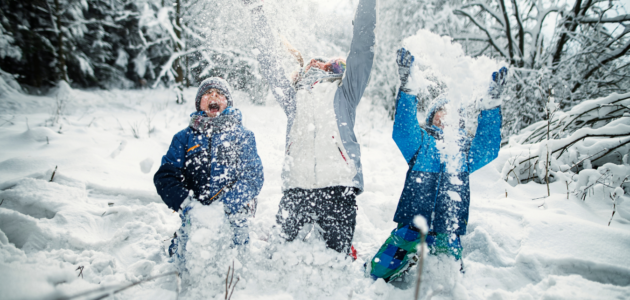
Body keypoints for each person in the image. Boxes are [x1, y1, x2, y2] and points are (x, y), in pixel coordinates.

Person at [241, 0, 376, 256]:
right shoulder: (293, 98)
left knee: (337, 262)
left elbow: (361, 50)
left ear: (334, 69)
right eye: (312, 62)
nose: (317, 63)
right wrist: (256, 11)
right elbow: (269, 63)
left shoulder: (345, 93)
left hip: (338, 185)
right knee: (279, 256)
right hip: (297, 188)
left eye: (325, 63)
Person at [367, 48, 507, 281]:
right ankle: (407, 259)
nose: (446, 116)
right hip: (413, 224)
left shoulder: (465, 150)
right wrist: (408, 90)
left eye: (452, 112)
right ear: (432, 116)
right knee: (379, 271)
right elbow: (403, 131)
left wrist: (491, 107)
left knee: (449, 279)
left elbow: (488, 147)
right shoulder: (421, 143)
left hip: (447, 228)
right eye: (441, 111)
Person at [153, 77, 264, 265]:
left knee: (234, 262)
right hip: (195, 213)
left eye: (220, 94)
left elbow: (253, 176)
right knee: (190, 260)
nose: (214, 95)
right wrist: (187, 204)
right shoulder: (184, 138)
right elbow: (165, 177)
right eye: (207, 93)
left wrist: (229, 204)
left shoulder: (243, 136)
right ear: (199, 104)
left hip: (233, 212)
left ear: (227, 103)